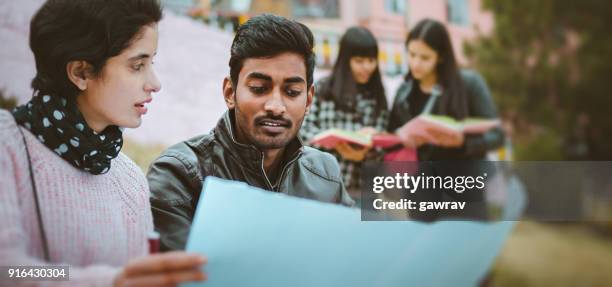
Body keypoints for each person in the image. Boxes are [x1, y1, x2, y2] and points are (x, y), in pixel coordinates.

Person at [0, 1, 207, 286]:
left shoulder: (131, 181)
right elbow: (8, 271)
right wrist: (110, 282)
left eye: (152, 63)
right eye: (137, 66)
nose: (155, 83)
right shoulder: (7, 143)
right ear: (81, 73)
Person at [147, 14, 355, 252]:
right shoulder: (179, 175)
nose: (276, 106)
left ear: (308, 100)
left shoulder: (325, 174)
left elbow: (355, 254)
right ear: (229, 92)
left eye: (292, 91)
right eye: (259, 89)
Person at [388, 19, 504, 220]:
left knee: (466, 248)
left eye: (425, 57)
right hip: (421, 192)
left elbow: (497, 135)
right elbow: (391, 137)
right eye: (412, 54)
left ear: (440, 56)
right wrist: (398, 139)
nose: (415, 63)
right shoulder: (404, 93)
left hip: (465, 188)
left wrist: (464, 143)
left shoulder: (470, 85)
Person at [300, 26, 388, 200]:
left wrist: (367, 150)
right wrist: (335, 144)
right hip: (321, 184)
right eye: (359, 61)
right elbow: (303, 130)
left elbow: (383, 144)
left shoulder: (377, 95)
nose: (367, 67)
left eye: (371, 61)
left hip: (362, 190)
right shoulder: (323, 89)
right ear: (346, 60)